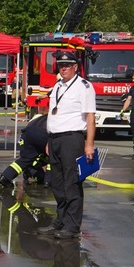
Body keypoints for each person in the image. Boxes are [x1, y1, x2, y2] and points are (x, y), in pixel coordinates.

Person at [37, 51, 96, 240]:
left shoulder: (84, 87)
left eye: (67, 66)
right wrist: (49, 140)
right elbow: (54, 114)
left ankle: (72, 226)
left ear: (75, 67)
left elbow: (90, 117)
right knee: (57, 183)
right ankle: (61, 220)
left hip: (72, 139)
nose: (63, 69)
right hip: (55, 139)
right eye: (61, 66)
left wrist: (89, 144)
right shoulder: (58, 86)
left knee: (72, 183)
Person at [0, 114, 51, 188]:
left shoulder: (44, 117)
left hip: (28, 132)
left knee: (25, 160)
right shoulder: (65, 119)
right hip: (44, 134)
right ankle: (48, 182)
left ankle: (5, 177)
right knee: (53, 157)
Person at [120, 69, 134, 152]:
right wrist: (123, 110)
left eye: (133, 77)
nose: (132, 79)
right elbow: (129, 99)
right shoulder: (132, 89)